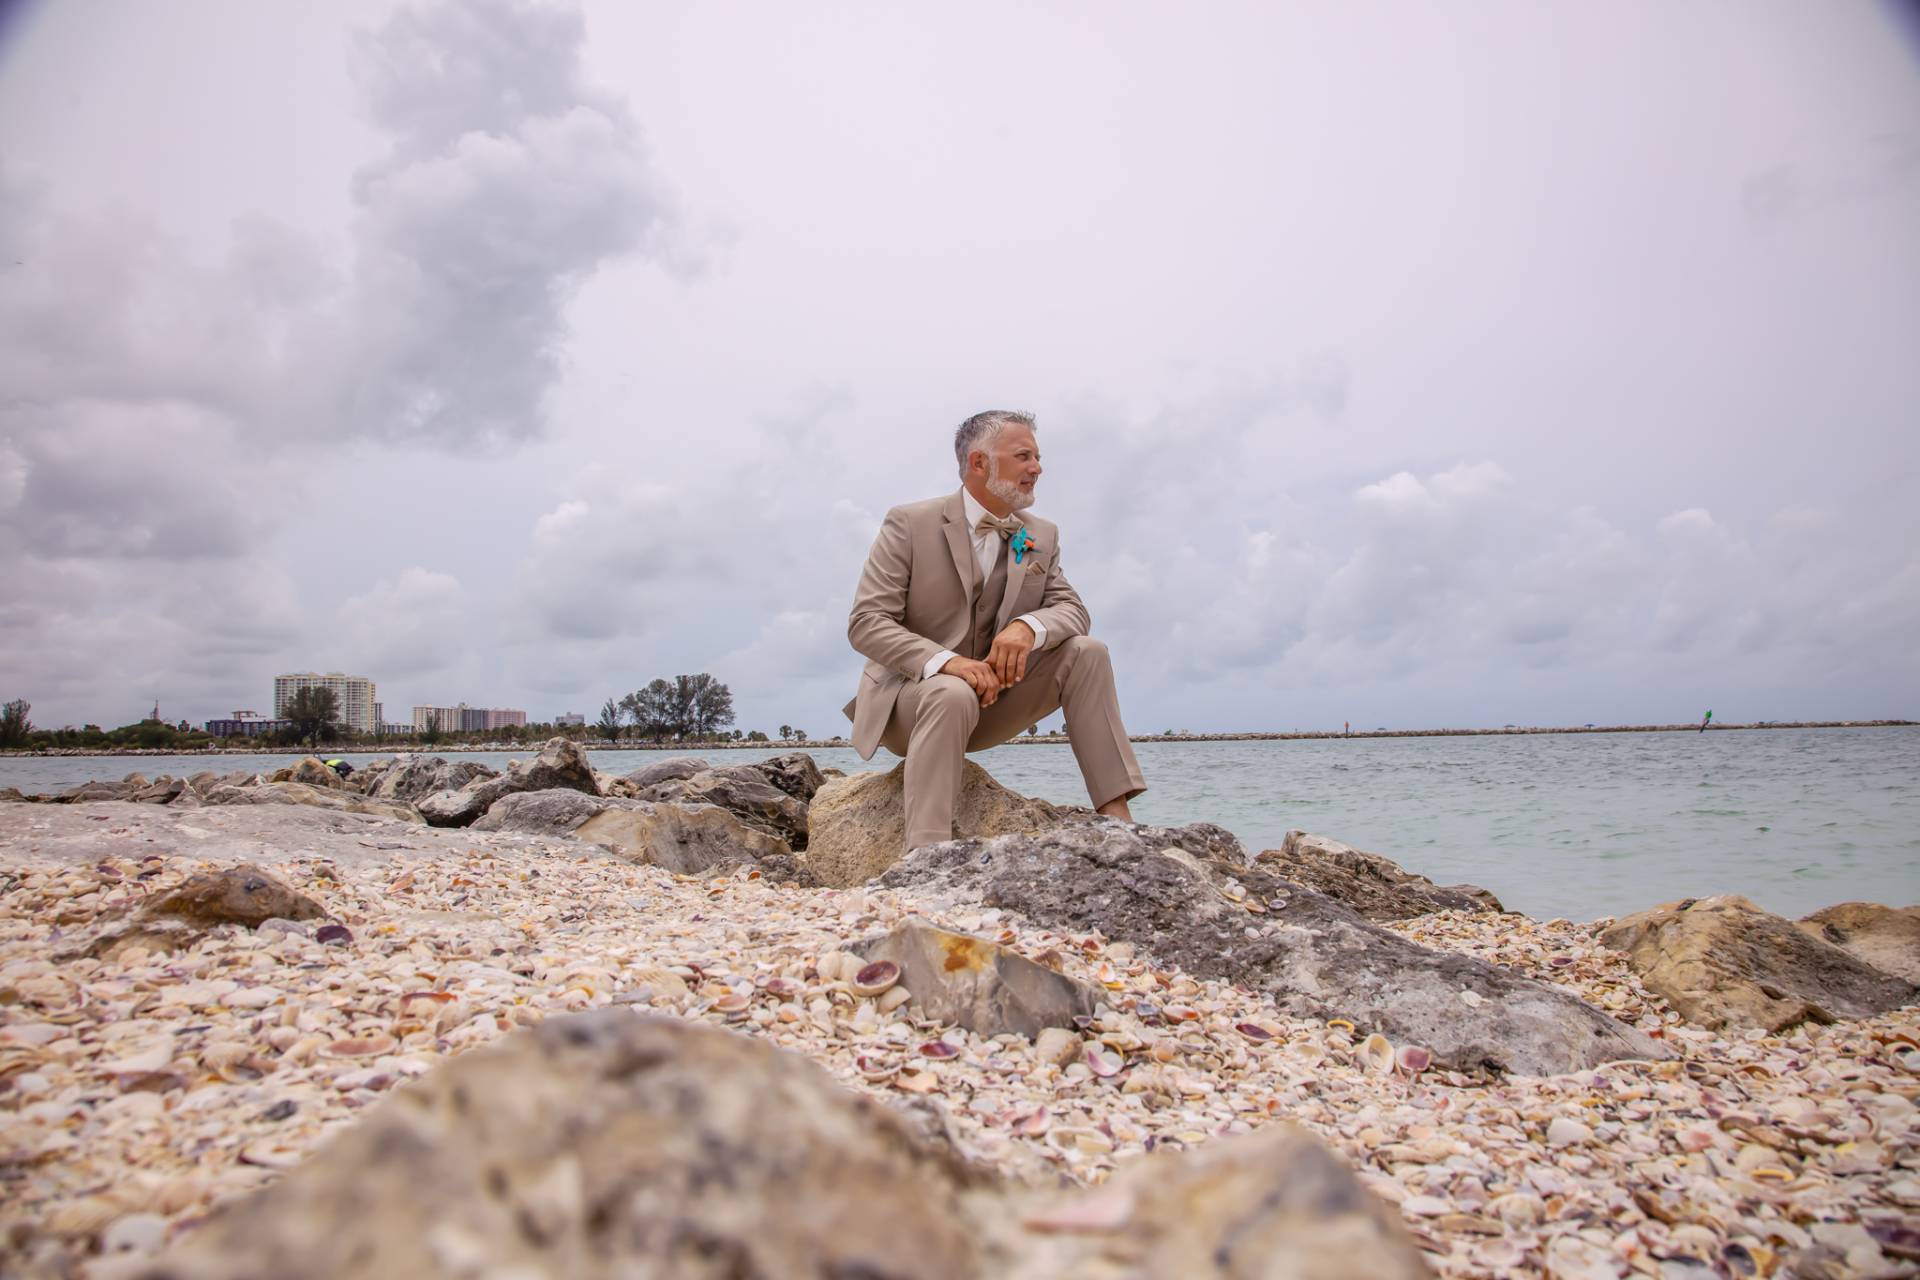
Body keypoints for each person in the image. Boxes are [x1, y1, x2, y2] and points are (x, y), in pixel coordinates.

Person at [844, 410, 1147, 852]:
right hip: (910, 705)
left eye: (1038, 457)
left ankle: (1118, 823)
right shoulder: (909, 523)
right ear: (979, 463)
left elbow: (1073, 610)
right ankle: (926, 855)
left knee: (1088, 652)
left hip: (991, 705)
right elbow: (867, 623)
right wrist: (949, 664)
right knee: (950, 691)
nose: (1037, 468)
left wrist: (1028, 627)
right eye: (1023, 456)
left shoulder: (1040, 534)